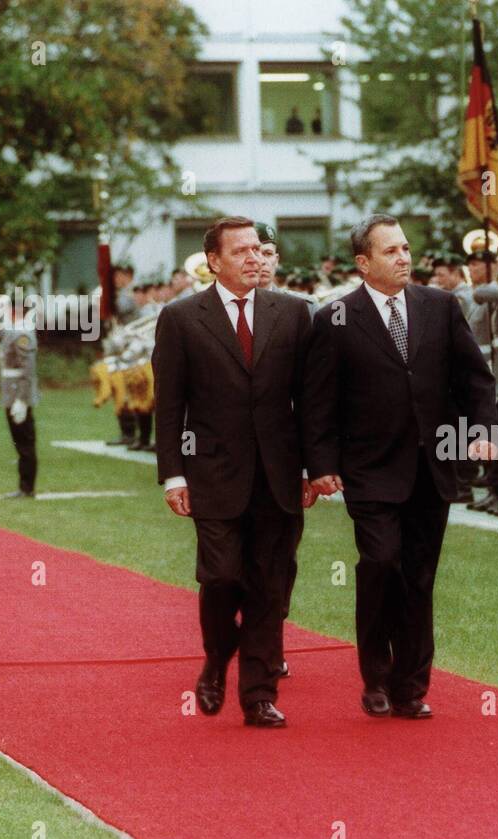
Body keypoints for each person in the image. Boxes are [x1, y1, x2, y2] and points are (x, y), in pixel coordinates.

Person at [309, 214, 497, 719]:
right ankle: (375, 676)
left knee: (418, 576)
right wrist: (322, 464)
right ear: (363, 262)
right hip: (369, 470)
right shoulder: (335, 318)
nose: (404, 258)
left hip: (432, 468)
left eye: (406, 248)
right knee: (380, 563)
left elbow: (475, 379)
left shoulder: (440, 306)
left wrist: (480, 430)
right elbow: (319, 402)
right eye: (390, 251)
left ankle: (410, 685)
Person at [153, 216, 335, 728]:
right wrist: (174, 475)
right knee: (222, 576)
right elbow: (169, 407)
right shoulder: (182, 318)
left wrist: (315, 468)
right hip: (212, 475)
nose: (255, 258)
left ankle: (258, 694)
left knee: (269, 587)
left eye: (259, 250)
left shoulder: (296, 313)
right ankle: (217, 657)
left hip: (280, 477)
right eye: (242, 252)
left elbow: (313, 402)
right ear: (214, 261)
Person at [0, 291, 40, 498]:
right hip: (11, 394)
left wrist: (21, 399)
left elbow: (27, 371)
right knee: (20, 442)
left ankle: (26, 488)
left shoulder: (22, 334)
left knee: (25, 443)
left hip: (18, 395)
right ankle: (24, 486)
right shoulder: (13, 330)